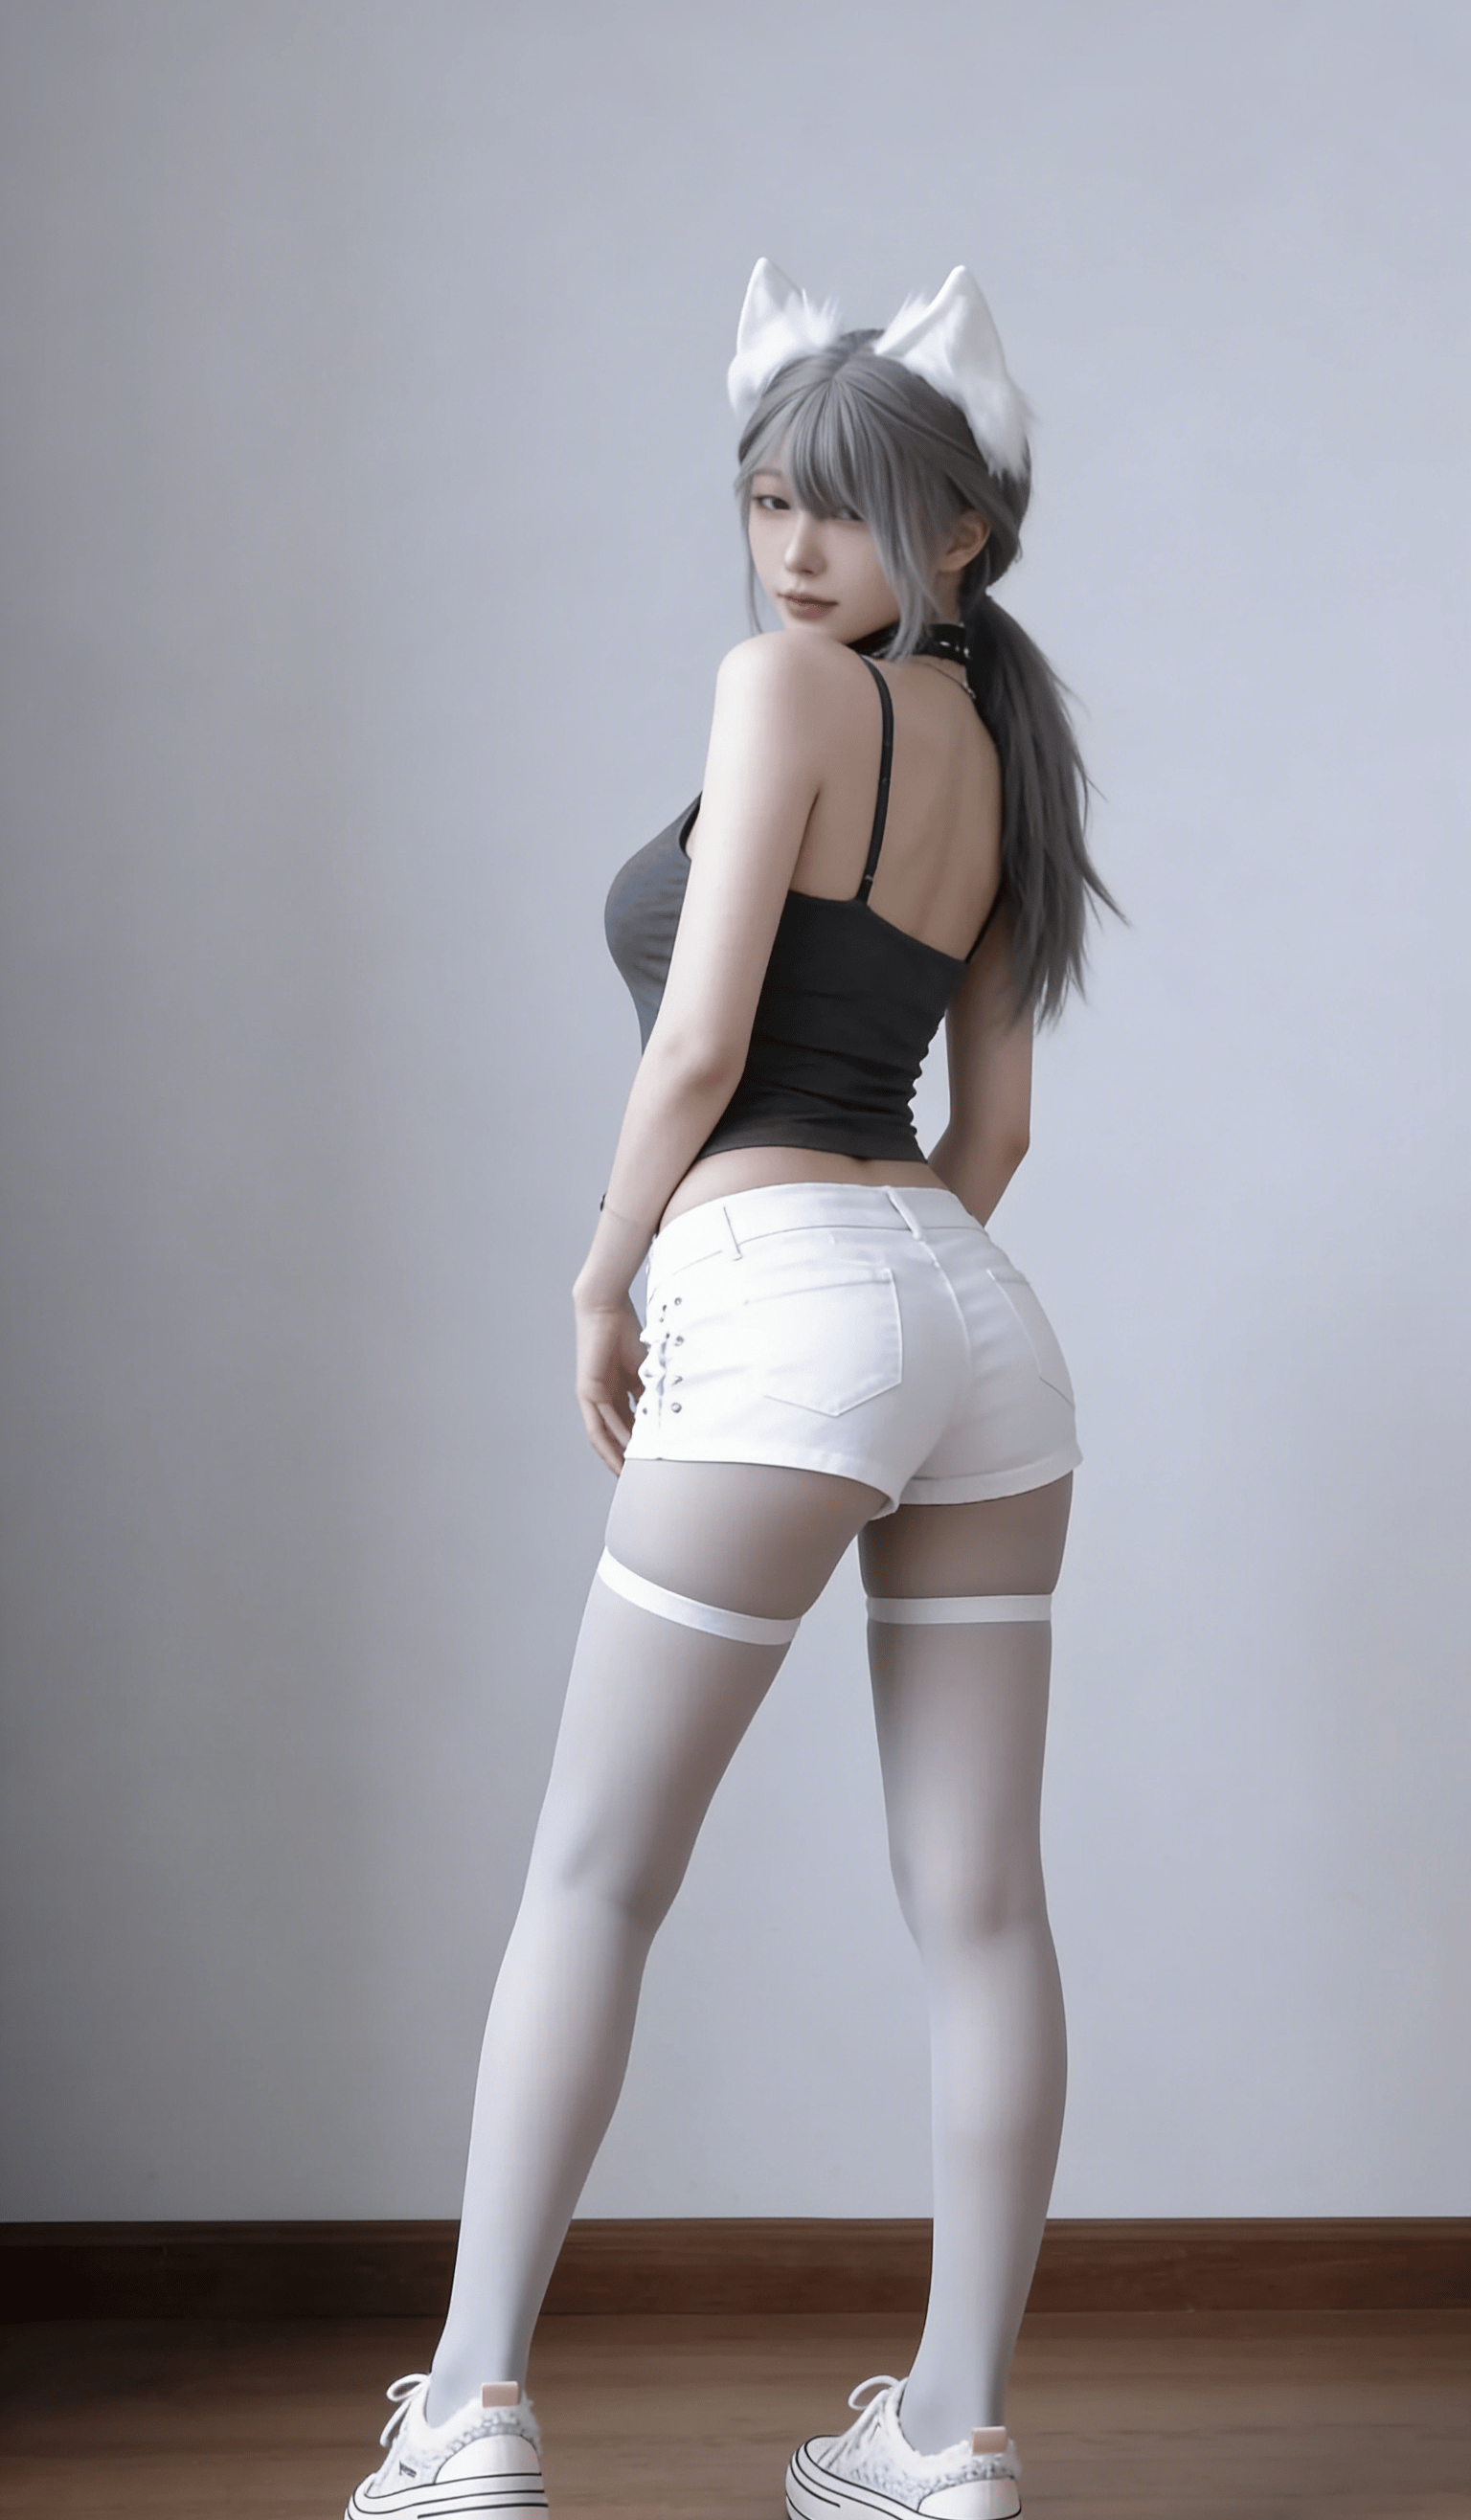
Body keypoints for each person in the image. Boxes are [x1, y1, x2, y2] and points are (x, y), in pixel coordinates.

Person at [348, 257, 1118, 2520]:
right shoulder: (1010, 756)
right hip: (977, 1322)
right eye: (768, 499)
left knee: (593, 1875)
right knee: (985, 1905)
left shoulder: (781, 689)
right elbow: (999, 1130)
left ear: (961, 529)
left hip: (778, 1288)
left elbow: (698, 1041)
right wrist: (896, 1306)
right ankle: (951, 2429)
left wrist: (607, 1274)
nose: (794, 547)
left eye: (845, 506)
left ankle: (470, 2406)